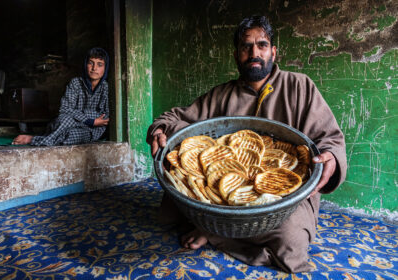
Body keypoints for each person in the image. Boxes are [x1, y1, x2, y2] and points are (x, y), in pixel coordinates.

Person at [146, 15, 347, 273]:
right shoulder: (221, 95)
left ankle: (215, 233)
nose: (254, 53)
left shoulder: (300, 87)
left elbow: (330, 138)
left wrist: (330, 156)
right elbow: (174, 118)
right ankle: (220, 228)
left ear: (274, 51)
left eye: (262, 45)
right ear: (236, 54)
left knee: (291, 245)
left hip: (283, 199)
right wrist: (160, 130)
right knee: (176, 205)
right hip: (226, 195)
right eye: (246, 47)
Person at [12, 47, 110, 146]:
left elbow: (105, 117)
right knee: (64, 120)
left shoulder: (106, 87)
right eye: (91, 63)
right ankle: (42, 139)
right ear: (85, 65)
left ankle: (33, 139)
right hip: (68, 123)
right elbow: (65, 109)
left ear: (105, 68)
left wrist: (84, 119)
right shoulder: (75, 83)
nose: (94, 68)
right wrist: (91, 121)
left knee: (72, 135)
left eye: (100, 64)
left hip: (92, 130)